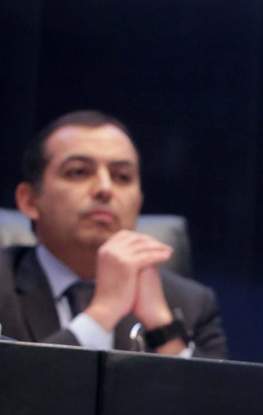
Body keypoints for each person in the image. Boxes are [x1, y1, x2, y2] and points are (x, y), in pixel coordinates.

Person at [0, 110, 226, 357]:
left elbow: (210, 385)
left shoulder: (192, 304)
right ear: (29, 200)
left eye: (122, 177)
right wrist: (102, 313)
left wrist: (163, 329)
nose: (105, 189)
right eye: (78, 172)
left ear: (139, 202)